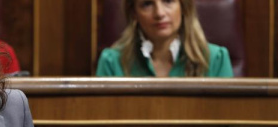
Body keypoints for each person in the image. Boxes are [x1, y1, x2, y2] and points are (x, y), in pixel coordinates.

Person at [96, 0, 233, 77]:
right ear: (134, 14)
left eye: (168, 1)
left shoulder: (216, 60)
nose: (159, 13)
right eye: (147, 4)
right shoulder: (111, 62)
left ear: (183, 7)